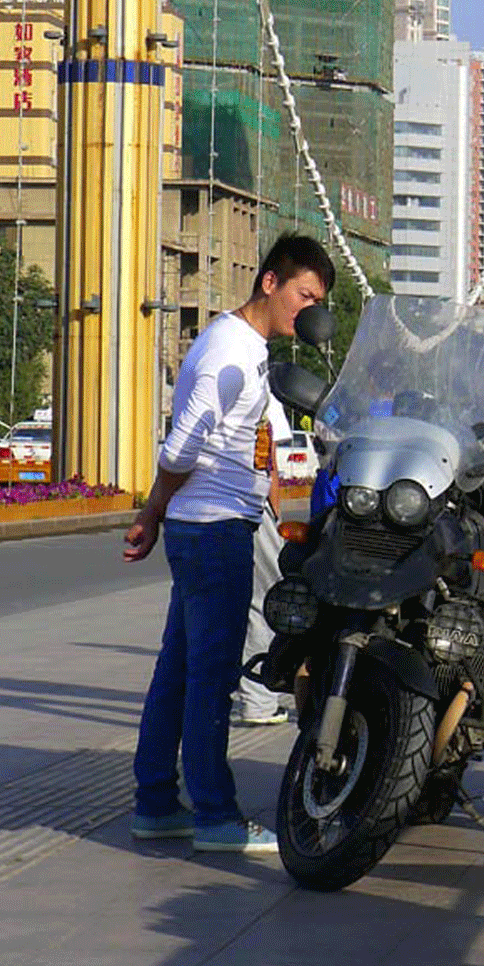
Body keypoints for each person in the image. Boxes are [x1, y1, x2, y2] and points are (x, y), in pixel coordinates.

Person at [124, 233, 331, 853]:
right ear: (269, 282)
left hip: (210, 525)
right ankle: (216, 815)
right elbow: (182, 446)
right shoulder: (229, 354)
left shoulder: (249, 347)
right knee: (211, 679)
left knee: (178, 671)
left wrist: (273, 493)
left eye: (317, 302)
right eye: (304, 295)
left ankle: (156, 803)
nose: (309, 310)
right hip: (213, 529)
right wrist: (153, 512)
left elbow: (255, 436)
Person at [234, 401, 293, 727]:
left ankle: (200, 699)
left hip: (201, 510)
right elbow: (268, 463)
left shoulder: (197, 380)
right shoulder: (261, 392)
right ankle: (258, 702)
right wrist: (276, 514)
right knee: (265, 601)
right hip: (250, 505)